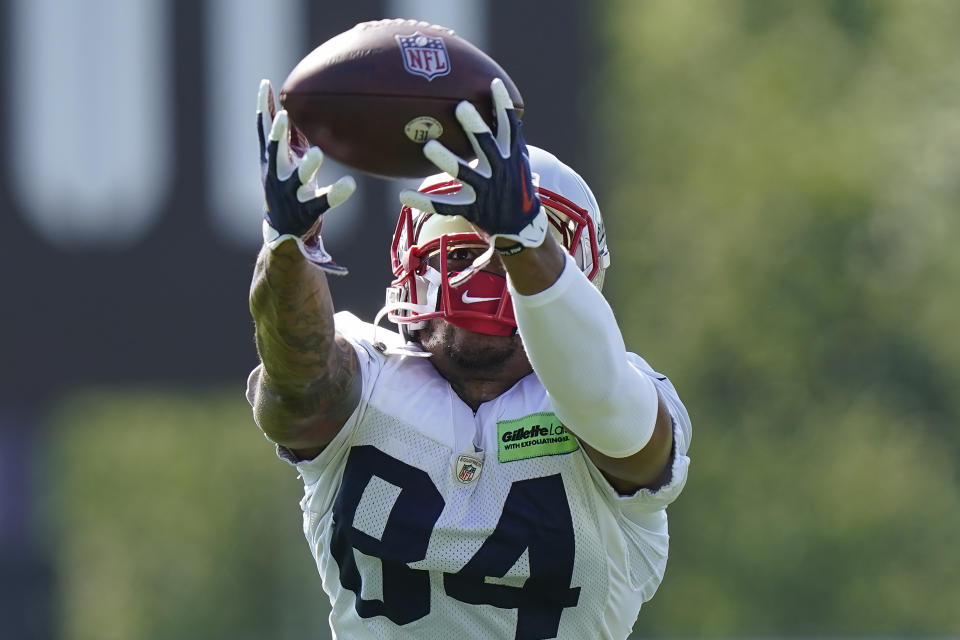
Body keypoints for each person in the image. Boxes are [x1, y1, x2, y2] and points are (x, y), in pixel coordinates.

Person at [247, 76, 692, 640]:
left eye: (502, 255)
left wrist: (524, 238)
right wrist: (287, 246)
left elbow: (604, 401)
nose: (480, 274)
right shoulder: (368, 376)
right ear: (413, 264)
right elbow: (295, 388)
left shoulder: (615, 396)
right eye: (460, 252)